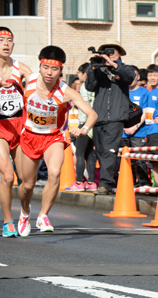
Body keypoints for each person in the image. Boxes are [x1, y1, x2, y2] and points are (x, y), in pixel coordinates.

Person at [18, 46, 98, 236]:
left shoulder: (66, 91)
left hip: (53, 137)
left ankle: (43, 215)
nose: (49, 72)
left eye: (54, 69)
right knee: (27, 184)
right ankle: (24, 212)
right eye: (45, 67)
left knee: (54, 173)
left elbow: (92, 114)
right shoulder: (29, 81)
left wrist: (84, 128)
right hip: (29, 135)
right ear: (40, 65)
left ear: (61, 70)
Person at [85, 39, 136, 195]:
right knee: (100, 150)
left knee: (109, 149)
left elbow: (129, 77)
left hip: (116, 116)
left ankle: (106, 184)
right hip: (99, 116)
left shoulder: (124, 68)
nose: (109, 55)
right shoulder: (99, 69)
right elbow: (90, 86)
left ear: (119, 53)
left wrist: (114, 65)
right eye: (105, 52)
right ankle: (110, 181)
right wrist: (93, 68)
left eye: (112, 52)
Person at [0, 27, 32, 237]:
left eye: (10, 40)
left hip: (19, 126)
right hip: (0, 128)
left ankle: (24, 213)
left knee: (26, 180)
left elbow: (36, 85)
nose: (6, 43)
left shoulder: (20, 68)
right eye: (1, 39)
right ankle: (8, 220)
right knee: (8, 176)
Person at [66, 63, 98, 192]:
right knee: (90, 154)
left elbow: (86, 107)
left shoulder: (86, 86)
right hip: (95, 124)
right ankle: (91, 182)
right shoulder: (96, 86)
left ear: (85, 74)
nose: (78, 76)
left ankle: (79, 182)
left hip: (85, 123)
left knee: (79, 153)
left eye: (79, 73)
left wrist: (83, 126)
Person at [120, 65, 151, 187]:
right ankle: (129, 183)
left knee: (140, 159)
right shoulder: (121, 91)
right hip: (123, 132)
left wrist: (135, 126)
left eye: (133, 75)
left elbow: (146, 111)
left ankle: (144, 183)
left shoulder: (145, 92)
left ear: (138, 77)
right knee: (127, 160)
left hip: (139, 132)